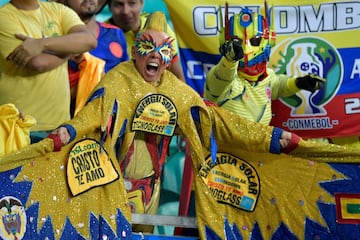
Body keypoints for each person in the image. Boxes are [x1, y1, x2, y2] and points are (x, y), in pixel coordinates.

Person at [2, 11, 360, 239]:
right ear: (135, 51)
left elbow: (219, 119)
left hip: (165, 196)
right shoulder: (118, 78)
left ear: (171, 55)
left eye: (163, 50)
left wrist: (279, 138)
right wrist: (64, 134)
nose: (155, 56)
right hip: (116, 186)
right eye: (147, 47)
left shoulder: (178, 89)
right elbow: (91, 115)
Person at [204, 4, 326, 125]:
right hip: (227, 144)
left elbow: (278, 86)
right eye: (237, 42)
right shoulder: (223, 78)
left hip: (261, 143)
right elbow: (220, 79)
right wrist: (229, 61)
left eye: (255, 40)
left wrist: (299, 82)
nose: (246, 48)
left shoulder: (267, 76)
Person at [0, 0, 97, 143]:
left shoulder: (58, 10)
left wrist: (41, 44)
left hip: (60, 127)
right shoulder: (4, 17)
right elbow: (38, 63)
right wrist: (70, 50)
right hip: (19, 126)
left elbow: (89, 40)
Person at [58, 0, 129, 116]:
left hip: (107, 124)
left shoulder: (116, 34)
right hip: (62, 124)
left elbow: (127, 83)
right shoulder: (54, 37)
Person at [105, 0, 185, 82]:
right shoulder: (101, 37)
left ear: (142, 3)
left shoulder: (161, 29)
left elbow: (179, 78)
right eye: (119, 4)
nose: (126, 11)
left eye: (132, 3)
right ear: (109, 6)